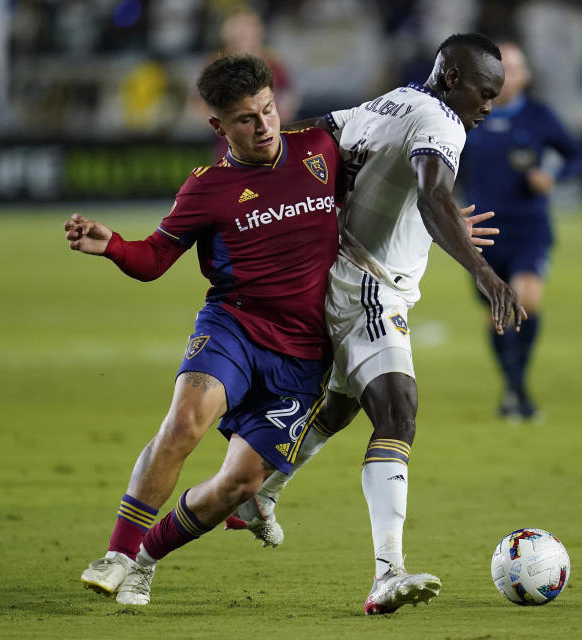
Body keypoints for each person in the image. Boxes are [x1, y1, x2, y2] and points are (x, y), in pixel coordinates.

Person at [228, 33, 524, 615]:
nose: (490, 106)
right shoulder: (444, 123)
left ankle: (259, 492)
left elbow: (311, 134)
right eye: (485, 93)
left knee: (342, 404)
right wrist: (484, 272)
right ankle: (388, 572)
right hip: (367, 285)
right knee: (398, 410)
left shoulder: (390, 102)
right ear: (455, 77)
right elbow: (434, 195)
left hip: (346, 270)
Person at [67, 53, 344, 605]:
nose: (264, 126)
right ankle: (118, 553)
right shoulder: (208, 187)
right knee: (185, 423)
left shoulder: (320, 149)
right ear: (218, 125)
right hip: (234, 327)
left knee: (240, 485)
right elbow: (153, 259)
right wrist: (114, 246)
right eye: (246, 118)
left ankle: (146, 561)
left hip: (304, 355)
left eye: (268, 109)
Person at [460, 41, 582, 422]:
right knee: (497, 316)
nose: (506, 75)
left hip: (530, 226)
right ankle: (515, 390)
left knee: (526, 303)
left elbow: (575, 155)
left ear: (526, 74)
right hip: (482, 231)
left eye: (513, 68)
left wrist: (552, 175)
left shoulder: (540, 117)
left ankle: (516, 390)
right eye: (499, 68)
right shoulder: (465, 117)